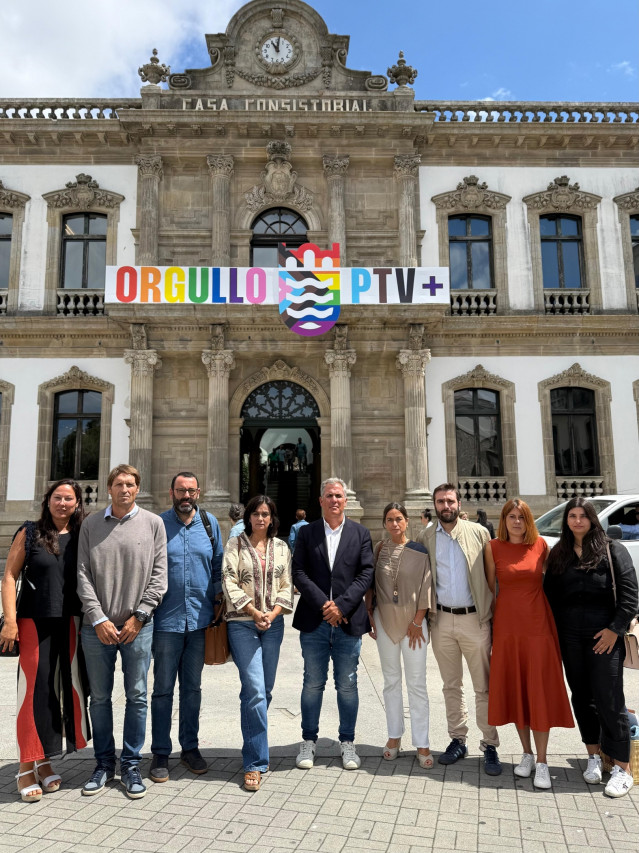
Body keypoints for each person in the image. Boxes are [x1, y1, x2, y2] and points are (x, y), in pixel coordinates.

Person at [77, 464, 167, 800]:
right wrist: (98, 618)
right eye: (118, 484)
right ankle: (102, 763)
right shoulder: (90, 524)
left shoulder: (154, 524)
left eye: (130, 484)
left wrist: (139, 616)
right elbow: (82, 575)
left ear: (137, 489)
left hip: (138, 628)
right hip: (95, 629)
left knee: (137, 696)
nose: (124, 489)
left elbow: (160, 576)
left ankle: (130, 764)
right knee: (99, 699)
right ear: (109, 488)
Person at [0, 479, 90, 802]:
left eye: (69, 498)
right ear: (47, 500)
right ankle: (25, 766)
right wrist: (9, 621)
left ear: (78, 503)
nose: (63, 503)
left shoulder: (82, 536)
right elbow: (9, 576)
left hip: (70, 625)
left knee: (58, 694)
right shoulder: (30, 532)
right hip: (33, 623)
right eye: (57, 497)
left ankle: (44, 759)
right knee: (32, 693)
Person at [544, 497, 638, 798]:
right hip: (571, 638)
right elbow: (550, 598)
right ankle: (594, 756)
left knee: (610, 700)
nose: (577, 521)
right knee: (583, 698)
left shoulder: (613, 550)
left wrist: (614, 630)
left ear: (593, 519)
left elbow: (630, 597)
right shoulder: (559, 553)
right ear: (566, 521)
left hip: (604, 638)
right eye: (571, 515)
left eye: (583, 515)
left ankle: (623, 768)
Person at [484, 499, 574, 790]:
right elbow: (489, 588)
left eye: (522, 517)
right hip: (508, 629)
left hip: (538, 627)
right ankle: (526, 754)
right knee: (517, 690)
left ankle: (544, 762)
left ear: (528, 520)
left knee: (538, 691)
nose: (517, 522)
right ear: (504, 520)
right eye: (512, 516)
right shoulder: (493, 548)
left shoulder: (541, 548)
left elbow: (557, 584)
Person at [416, 483, 501, 775]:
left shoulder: (479, 533)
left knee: (483, 686)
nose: (446, 506)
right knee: (451, 685)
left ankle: (489, 744)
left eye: (450, 501)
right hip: (441, 621)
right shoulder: (426, 536)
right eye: (440, 502)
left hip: (475, 619)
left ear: (459, 503)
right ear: (435, 505)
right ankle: (458, 739)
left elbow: (492, 579)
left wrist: (493, 616)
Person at [292, 477, 375, 771]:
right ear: (321, 501)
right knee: (312, 684)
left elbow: (366, 573)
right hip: (314, 620)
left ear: (345, 501)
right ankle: (309, 741)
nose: (334, 500)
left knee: (347, 685)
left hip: (348, 620)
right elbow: (298, 572)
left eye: (338, 495)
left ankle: (347, 742)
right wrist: (324, 605)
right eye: (329, 496)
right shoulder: (307, 533)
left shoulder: (361, 533)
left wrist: (341, 605)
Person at [150, 472, 224, 782]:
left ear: (199, 492)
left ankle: (190, 748)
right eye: (181, 490)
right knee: (163, 690)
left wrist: (219, 602)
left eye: (191, 490)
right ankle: (160, 752)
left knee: (192, 690)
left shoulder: (210, 524)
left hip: (200, 622)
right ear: (171, 492)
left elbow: (219, 564)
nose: (186, 495)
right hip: (166, 621)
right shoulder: (157, 525)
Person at [222, 495, 293, 792]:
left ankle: (255, 744)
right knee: (254, 691)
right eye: (256, 514)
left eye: (266, 514)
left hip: (273, 625)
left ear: (272, 518)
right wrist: (253, 611)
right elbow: (228, 580)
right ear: (248, 517)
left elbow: (287, 584)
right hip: (242, 625)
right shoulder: (235, 545)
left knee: (263, 691)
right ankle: (254, 762)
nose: (261, 519)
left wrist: (273, 613)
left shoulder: (281, 547)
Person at [366, 502, 432, 768]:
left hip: (414, 625)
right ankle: (394, 736)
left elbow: (427, 586)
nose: (395, 524)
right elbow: (370, 585)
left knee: (417, 683)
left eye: (399, 519)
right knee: (391, 681)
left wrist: (418, 621)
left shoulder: (419, 551)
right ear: (385, 524)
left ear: (407, 522)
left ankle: (423, 742)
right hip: (385, 622)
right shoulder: (379, 549)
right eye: (390, 519)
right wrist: (369, 616)